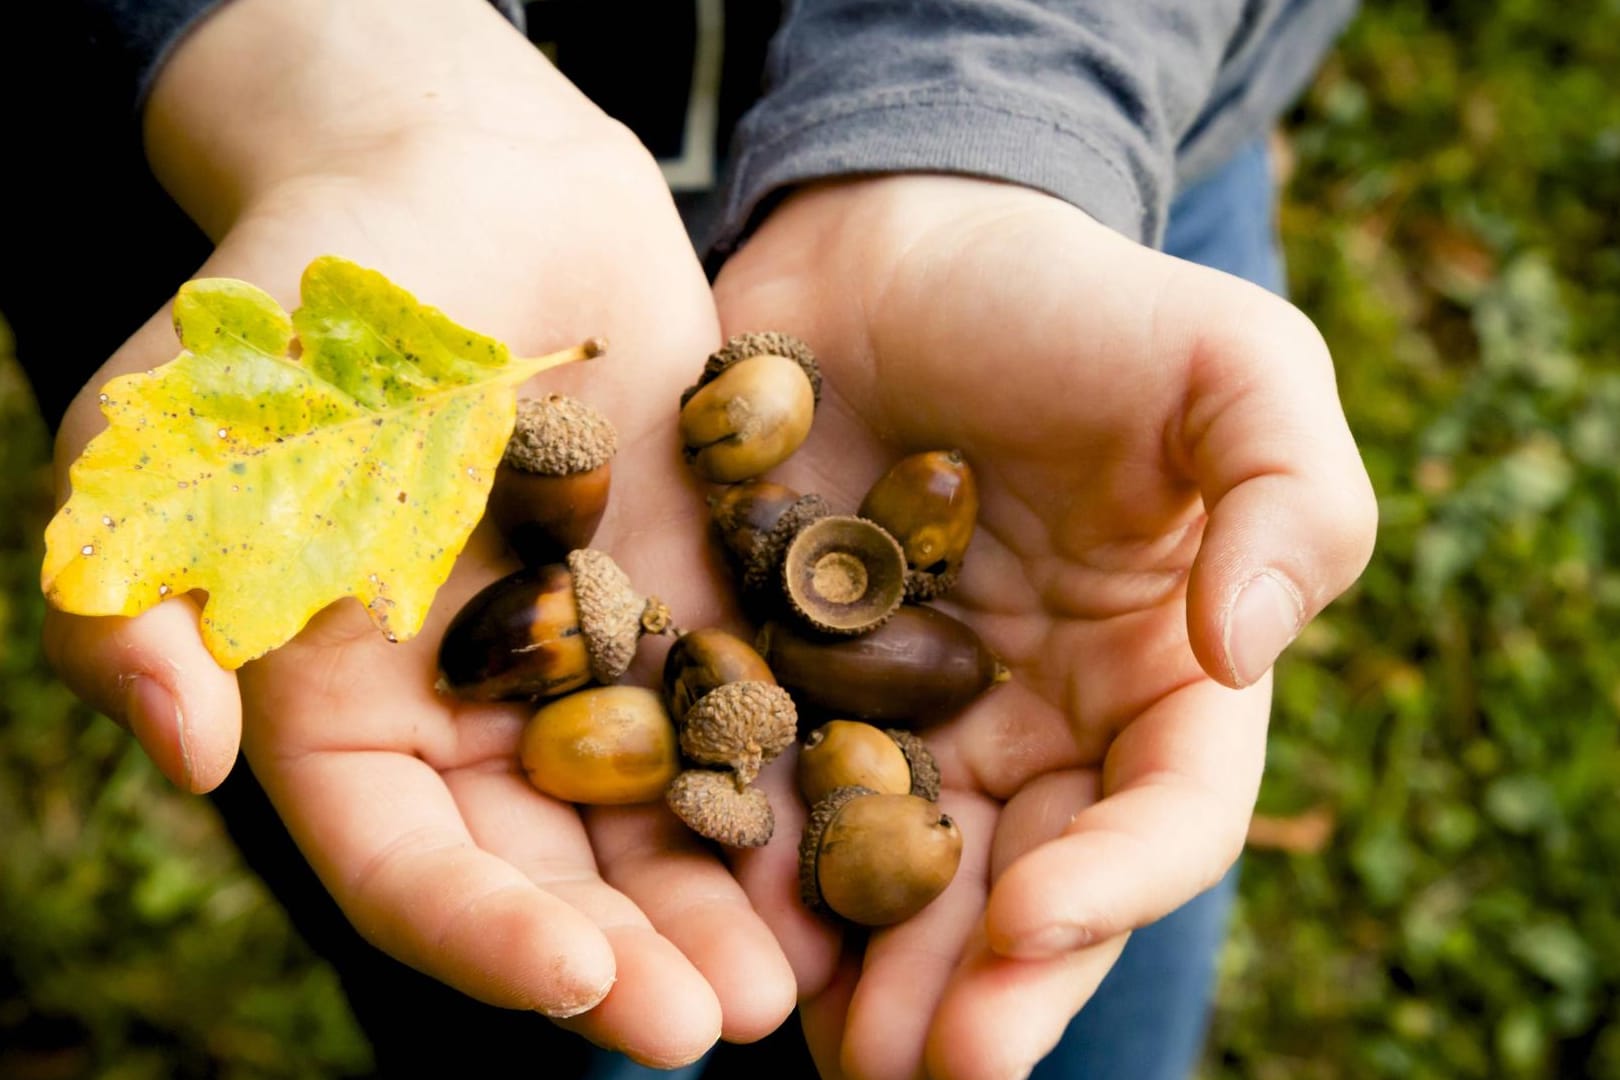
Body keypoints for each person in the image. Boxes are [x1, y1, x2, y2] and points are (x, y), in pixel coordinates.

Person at [6, 1, 1377, 1076]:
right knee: (540, 998)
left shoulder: (840, 602)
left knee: (1064, 958)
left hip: (1079, 160)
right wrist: (326, 67)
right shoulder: (673, 626)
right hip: (227, 169)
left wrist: (998, 118)